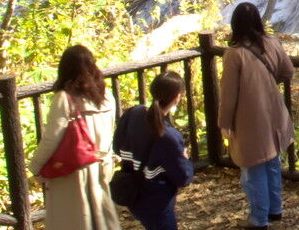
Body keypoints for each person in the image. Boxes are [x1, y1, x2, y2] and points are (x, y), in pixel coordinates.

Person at [28, 45, 122, 230]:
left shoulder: (64, 98)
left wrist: (36, 166)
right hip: (100, 163)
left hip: (73, 171)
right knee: (101, 221)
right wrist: (108, 160)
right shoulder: (106, 95)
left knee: (74, 221)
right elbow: (110, 130)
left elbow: (52, 138)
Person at [218, 2, 295, 229]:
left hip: (249, 118)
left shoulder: (234, 54)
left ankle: (258, 219)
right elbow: (288, 71)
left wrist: (224, 123)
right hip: (274, 111)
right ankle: (275, 210)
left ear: (235, 25)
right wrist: (268, 83)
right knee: (272, 161)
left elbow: (229, 93)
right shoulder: (272, 42)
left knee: (253, 167)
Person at [114, 72, 195, 230]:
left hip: (132, 192)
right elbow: (183, 177)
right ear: (177, 97)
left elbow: (117, 146)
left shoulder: (133, 113)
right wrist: (185, 159)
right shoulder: (169, 136)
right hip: (156, 199)